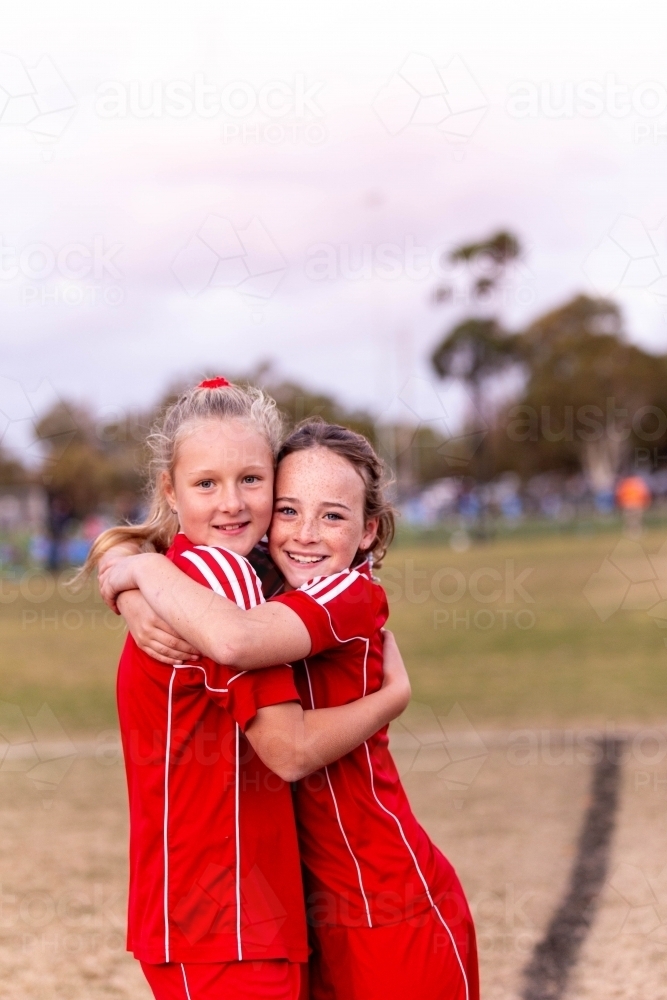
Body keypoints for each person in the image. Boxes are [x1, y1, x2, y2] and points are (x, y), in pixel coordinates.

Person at [100, 417, 480, 1000]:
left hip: (385, 899)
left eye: (333, 516)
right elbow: (172, 546)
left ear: (368, 532)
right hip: (306, 912)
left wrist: (390, 700)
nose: (305, 533)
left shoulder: (343, 591)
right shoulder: (267, 578)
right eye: (287, 510)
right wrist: (129, 581)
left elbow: (253, 671)